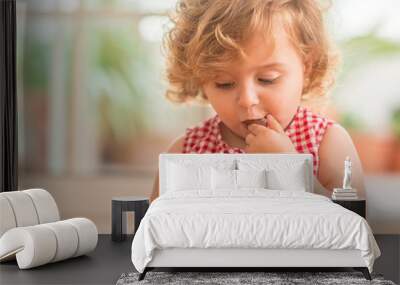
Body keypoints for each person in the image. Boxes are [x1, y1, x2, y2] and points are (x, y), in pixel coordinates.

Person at [150, 0, 365, 202]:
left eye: (267, 79)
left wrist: (291, 169)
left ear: (306, 67)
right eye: (224, 83)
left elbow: (354, 224)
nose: (247, 100)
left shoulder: (327, 143)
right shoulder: (185, 152)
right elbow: (153, 228)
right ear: (199, 79)